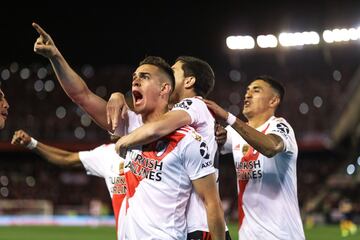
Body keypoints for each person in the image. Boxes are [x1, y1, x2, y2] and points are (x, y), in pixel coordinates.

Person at [32, 23, 225, 239]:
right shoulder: (129, 124)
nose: (135, 79)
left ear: (164, 88)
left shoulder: (189, 140)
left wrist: (123, 142)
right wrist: (55, 56)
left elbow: (212, 203)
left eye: (145, 76)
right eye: (135, 75)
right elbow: (82, 96)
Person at [107, 56, 231, 239]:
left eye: (173, 72)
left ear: (189, 81)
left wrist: (124, 141)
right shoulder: (194, 114)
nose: (169, 77)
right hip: (196, 222)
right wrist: (117, 96)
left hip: (200, 224)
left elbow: (156, 128)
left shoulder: (193, 104)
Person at [204, 75, 305, 240]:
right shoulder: (235, 134)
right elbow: (214, 142)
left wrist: (228, 117)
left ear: (273, 101)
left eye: (256, 91)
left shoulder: (280, 126)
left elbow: (271, 147)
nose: (247, 95)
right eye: (247, 91)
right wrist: (217, 134)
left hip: (282, 236)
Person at [11, 129, 127, 239]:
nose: (112, 123)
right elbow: (67, 158)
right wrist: (32, 143)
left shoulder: (144, 150)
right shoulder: (108, 154)